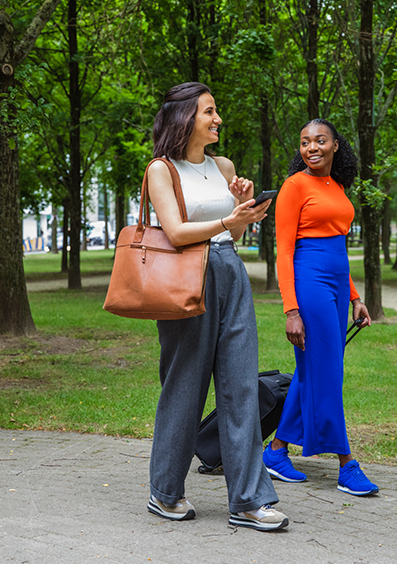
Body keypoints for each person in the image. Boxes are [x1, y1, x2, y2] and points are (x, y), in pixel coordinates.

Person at [145, 82, 288, 531]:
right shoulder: (161, 170)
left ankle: (248, 500)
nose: (217, 119)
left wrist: (243, 207)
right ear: (186, 116)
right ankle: (165, 492)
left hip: (229, 270)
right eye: (209, 111)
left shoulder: (223, 165)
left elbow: (234, 235)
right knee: (184, 387)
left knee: (241, 386)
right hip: (186, 277)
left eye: (217, 111)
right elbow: (173, 232)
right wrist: (229, 217)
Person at [263, 118, 378, 497]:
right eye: (305, 142)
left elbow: (339, 248)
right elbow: (284, 251)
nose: (311, 147)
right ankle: (346, 464)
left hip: (336, 282)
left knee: (312, 370)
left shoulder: (338, 186)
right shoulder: (294, 186)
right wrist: (291, 310)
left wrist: (356, 297)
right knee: (328, 371)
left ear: (334, 146)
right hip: (308, 281)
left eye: (319, 140)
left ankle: (276, 452)